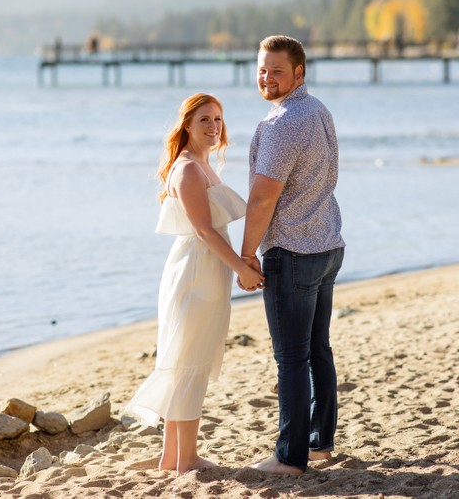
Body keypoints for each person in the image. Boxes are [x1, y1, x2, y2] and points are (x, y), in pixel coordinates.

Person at [125, 93, 264, 474]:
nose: (213, 126)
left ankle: (172, 458)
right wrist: (243, 268)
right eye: (204, 119)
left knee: (191, 362)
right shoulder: (187, 169)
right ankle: (186, 459)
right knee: (188, 362)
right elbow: (204, 231)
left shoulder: (202, 165)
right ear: (186, 124)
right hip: (196, 273)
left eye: (218, 119)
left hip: (207, 270)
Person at [239, 35, 345, 475]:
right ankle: (319, 443)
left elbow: (263, 198)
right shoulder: (316, 109)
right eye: (262, 69)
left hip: (295, 251)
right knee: (317, 350)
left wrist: (246, 256)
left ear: (299, 73)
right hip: (326, 245)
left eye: (277, 70)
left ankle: (290, 456)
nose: (267, 77)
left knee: (292, 359)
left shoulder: (284, 122)